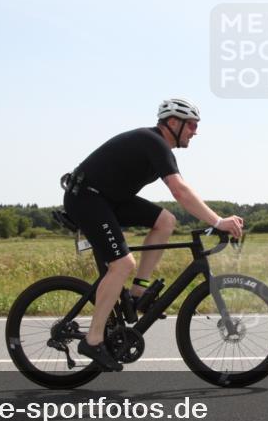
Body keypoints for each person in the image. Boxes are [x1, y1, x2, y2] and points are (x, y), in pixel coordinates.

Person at [62, 98, 244, 371]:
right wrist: (218, 221)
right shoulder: (154, 142)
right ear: (173, 122)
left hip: (108, 199)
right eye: (191, 124)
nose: (195, 131)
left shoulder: (158, 146)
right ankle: (93, 339)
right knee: (122, 264)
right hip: (87, 198)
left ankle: (137, 294)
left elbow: (179, 193)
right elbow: (179, 190)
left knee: (165, 220)